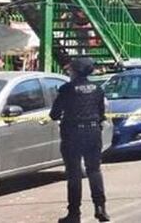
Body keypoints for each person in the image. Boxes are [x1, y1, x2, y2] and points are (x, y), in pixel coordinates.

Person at [49, 57, 109, 223]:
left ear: (75, 71)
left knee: (74, 174)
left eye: (70, 70)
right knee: (94, 170)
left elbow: (54, 114)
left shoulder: (67, 89)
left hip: (72, 134)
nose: (69, 72)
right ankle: (100, 208)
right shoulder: (97, 89)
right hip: (93, 132)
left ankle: (74, 213)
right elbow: (101, 113)